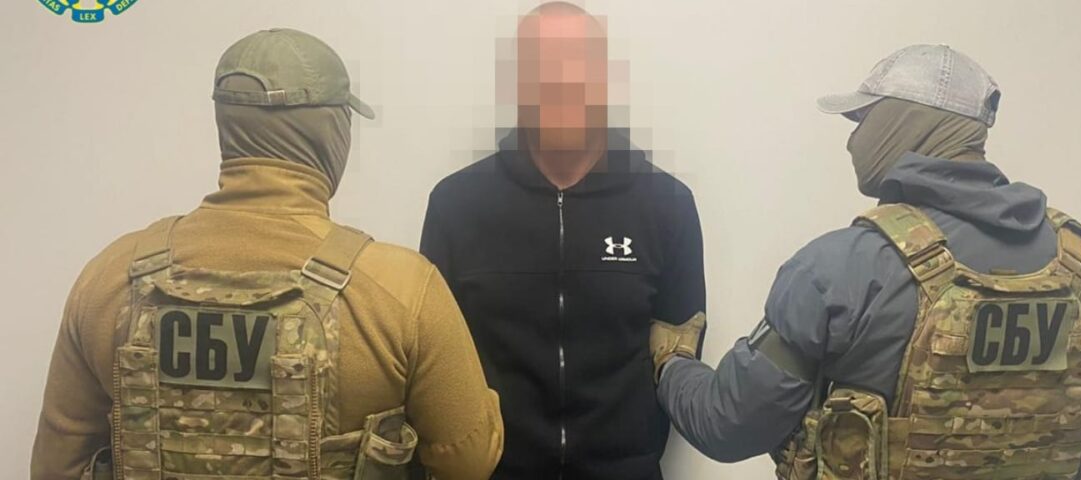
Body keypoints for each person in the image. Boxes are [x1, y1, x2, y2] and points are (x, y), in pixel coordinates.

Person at [652, 44, 1081, 479]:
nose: (853, 140)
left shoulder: (839, 270)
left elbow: (728, 426)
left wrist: (671, 363)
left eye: (862, 119)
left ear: (903, 122)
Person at [31, 28, 503, 480]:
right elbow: (469, 461)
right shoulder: (399, 289)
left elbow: (57, 466)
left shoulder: (111, 277)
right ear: (332, 131)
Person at [420, 3, 705, 479]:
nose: (561, 79)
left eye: (578, 61)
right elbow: (432, 369)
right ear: (516, 83)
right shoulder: (456, 205)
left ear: (606, 78)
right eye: (541, 64)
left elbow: (677, 362)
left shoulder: (667, 205)